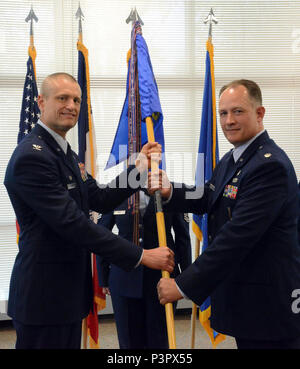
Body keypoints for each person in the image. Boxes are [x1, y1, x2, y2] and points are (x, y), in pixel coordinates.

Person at [4, 72, 174, 349]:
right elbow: (74, 225)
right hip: (43, 296)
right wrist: (141, 255)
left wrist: (139, 167)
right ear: (41, 102)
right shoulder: (33, 157)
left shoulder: (63, 152)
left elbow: (99, 198)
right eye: (62, 98)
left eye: (76, 100)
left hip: (66, 293)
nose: (71, 105)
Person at [152, 79, 300, 349]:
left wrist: (183, 285)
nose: (229, 120)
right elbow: (211, 195)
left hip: (269, 305)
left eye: (238, 111)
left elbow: (236, 238)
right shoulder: (236, 157)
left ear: (260, 113)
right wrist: (169, 190)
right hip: (248, 298)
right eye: (223, 113)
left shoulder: (269, 166)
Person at [96, 189, 192, 349]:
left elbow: (183, 236)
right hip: (124, 278)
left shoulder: (168, 191)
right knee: (129, 342)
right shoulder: (115, 191)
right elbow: (102, 235)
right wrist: (103, 276)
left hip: (162, 279)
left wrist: (186, 278)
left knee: (159, 340)